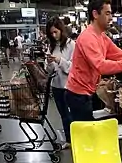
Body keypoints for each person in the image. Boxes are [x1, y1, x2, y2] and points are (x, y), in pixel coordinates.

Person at [66, 0, 122, 122]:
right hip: (78, 94)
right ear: (95, 14)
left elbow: (117, 54)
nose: (111, 17)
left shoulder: (101, 36)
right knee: (85, 134)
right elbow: (101, 66)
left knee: (88, 130)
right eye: (107, 13)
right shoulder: (88, 38)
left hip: (87, 91)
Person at [46, 16, 75, 149]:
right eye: (51, 33)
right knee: (63, 115)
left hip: (69, 86)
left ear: (61, 30)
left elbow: (73, 67)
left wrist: (59, 61)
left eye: (55, 32)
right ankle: (69, 140)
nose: (54, 35)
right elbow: (49, 70)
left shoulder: (71, 45)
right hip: (56, 85)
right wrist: (50, 63)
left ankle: (76, 139)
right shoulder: (51, 46)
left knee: (71, 115)